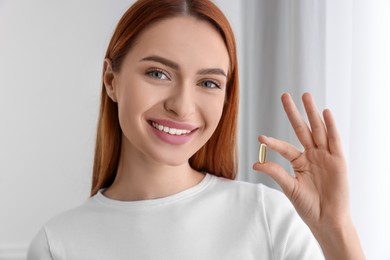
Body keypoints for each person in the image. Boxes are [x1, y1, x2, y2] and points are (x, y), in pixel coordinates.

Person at [27, 0, 365, 259]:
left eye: (208, 82)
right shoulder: (58, 243)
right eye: (158, 74)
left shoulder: (267, 217)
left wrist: (335, 228)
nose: (183, 106)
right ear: (111, 81)